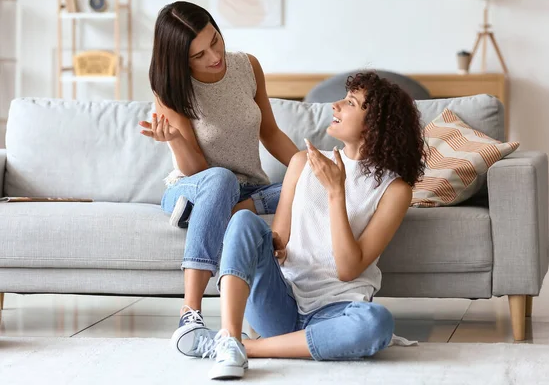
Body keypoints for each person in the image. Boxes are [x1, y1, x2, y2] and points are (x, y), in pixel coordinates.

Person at [179, 72, 426, 380]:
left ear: (374, 123)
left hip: (338, 312)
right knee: (243, 220)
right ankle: (230, 339)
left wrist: (337, 192)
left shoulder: (395, 190)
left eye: (350, 103)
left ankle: (244, 347)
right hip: (282, 303)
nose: (335, 105)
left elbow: (348, 270)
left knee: (377, 322)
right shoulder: (301, 162)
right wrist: (265, 246)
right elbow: (280, 238)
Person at [138, 1, 299, 355]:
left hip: (251, 187)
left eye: (215, 40)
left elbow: (270, 132)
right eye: (199, 54)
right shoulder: (170, 86)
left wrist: (305, 166)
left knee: (297, 185)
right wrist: (176, 139)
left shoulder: (247, 66)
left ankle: (222, 212)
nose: (214, 56)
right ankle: (190, 313)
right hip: (191, 186)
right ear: (180, 59)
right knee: (221, 179)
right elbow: (197, 168)